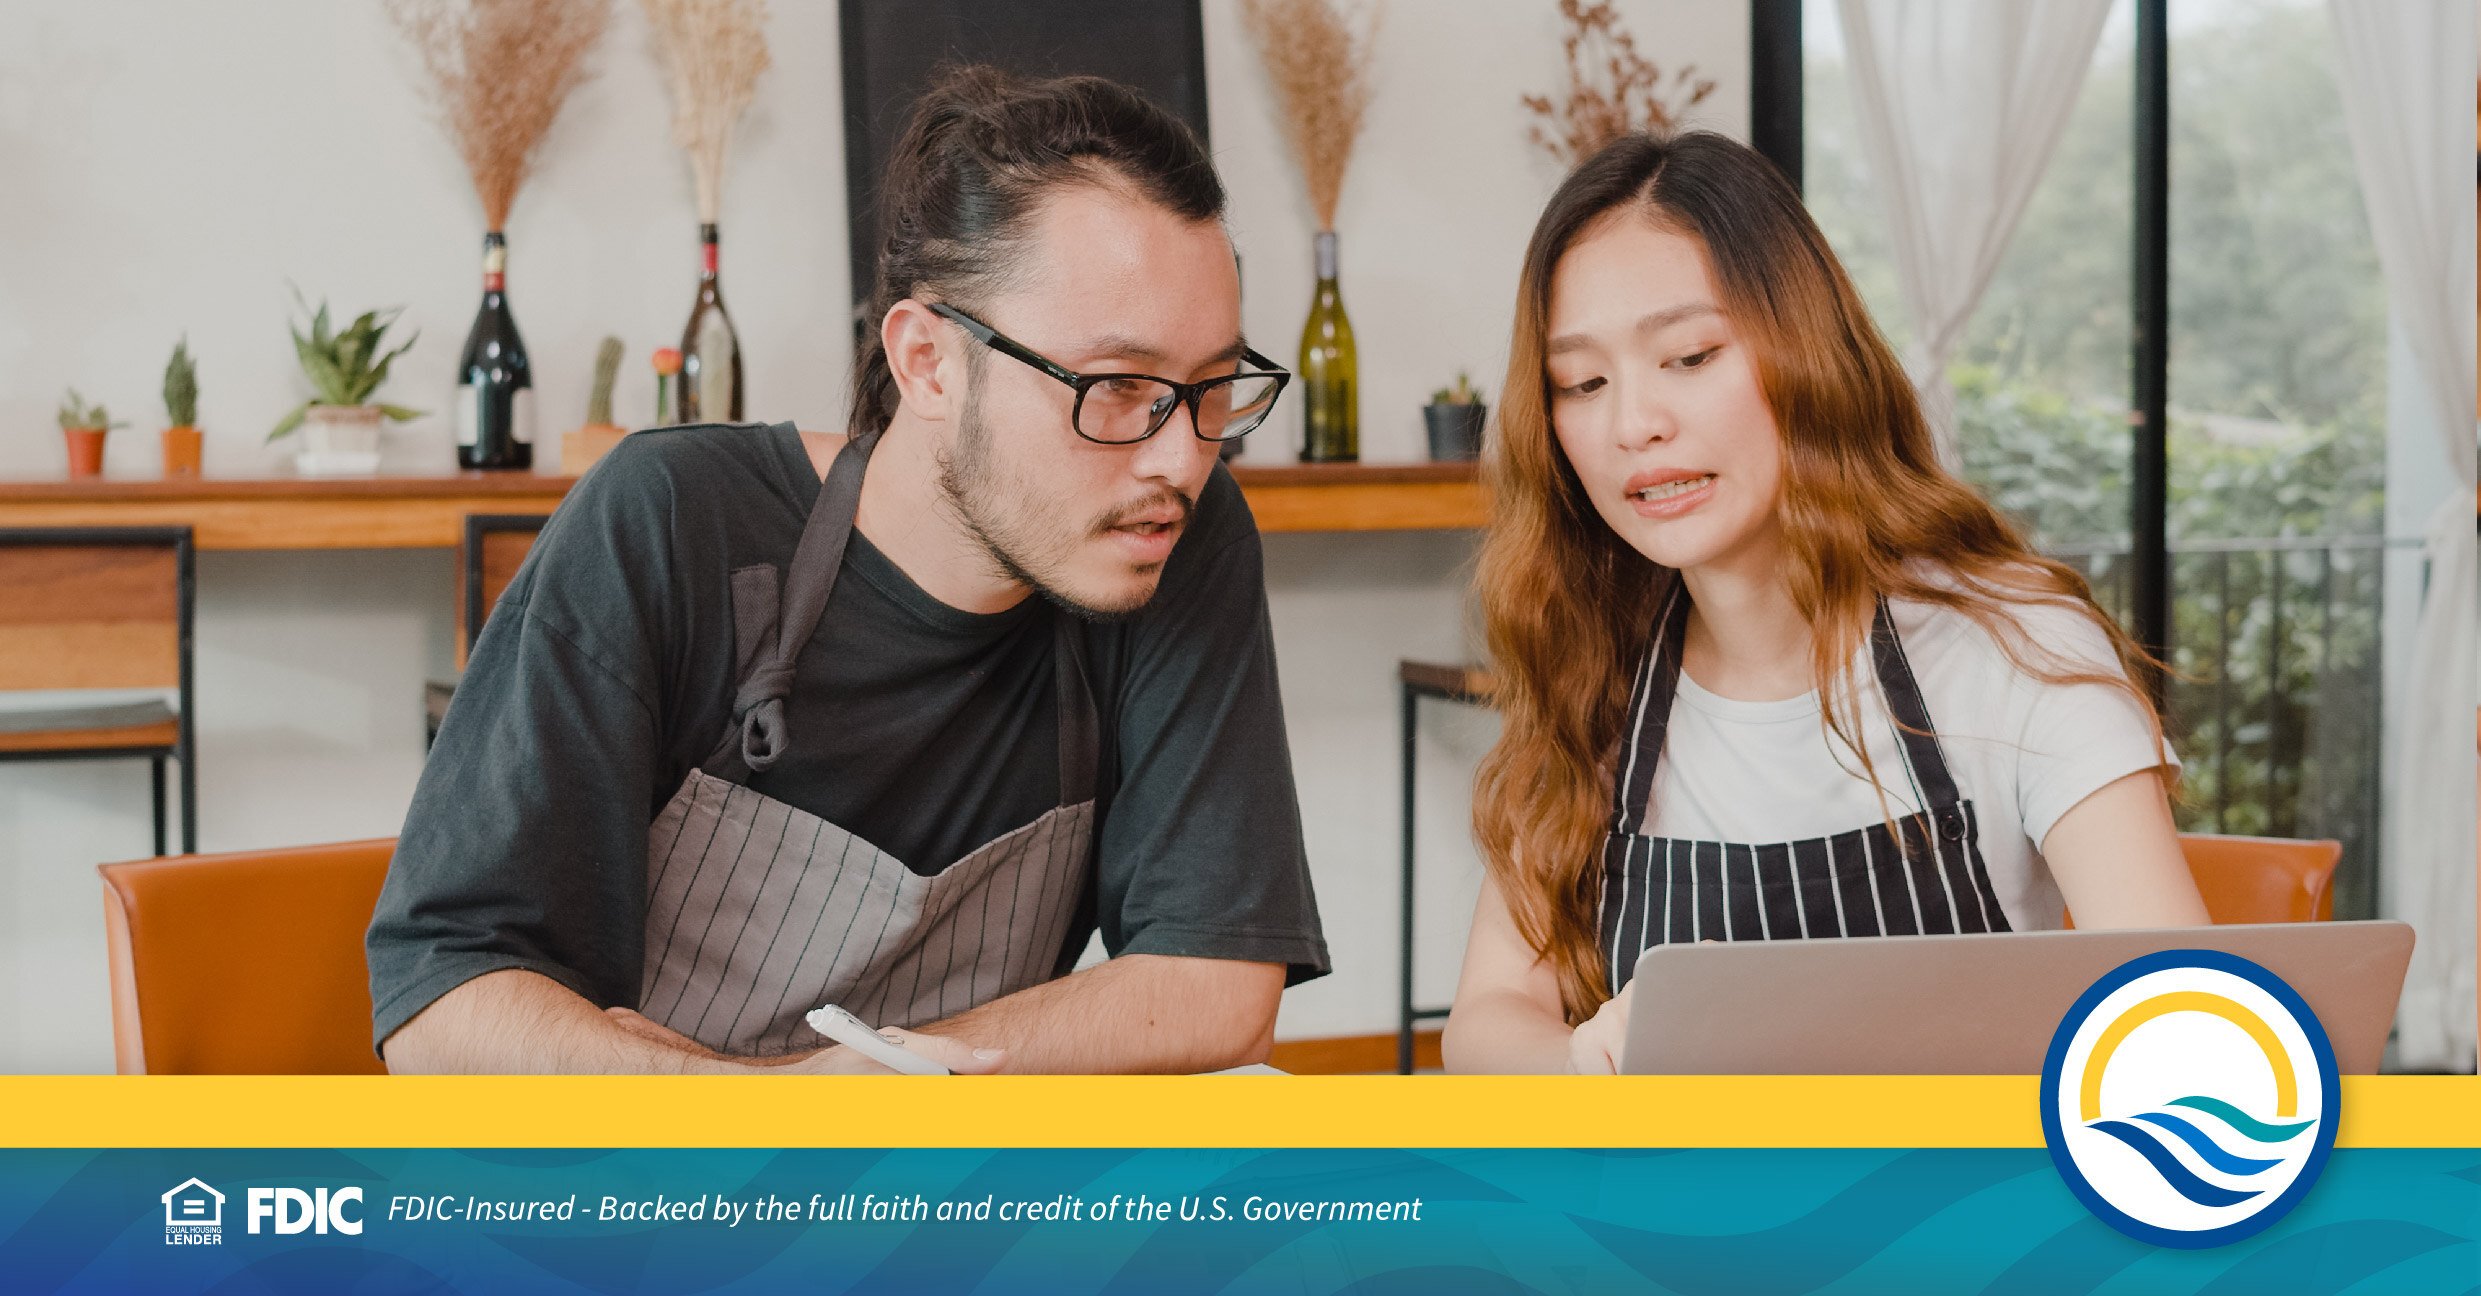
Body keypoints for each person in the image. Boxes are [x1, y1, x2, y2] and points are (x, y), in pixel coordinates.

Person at [370, 66, 1327, 1075]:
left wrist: (881, 1086)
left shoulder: (1180, 532)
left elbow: (1216, 985)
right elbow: (442, 1009)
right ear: (928, 362)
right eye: (1118, 387)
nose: (1180, 459)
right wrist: (756, 1117)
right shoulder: (670, 519)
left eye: (1215, 390)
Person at [1442, 132, 2208, 1075]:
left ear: (1806, 350)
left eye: (1687, 355)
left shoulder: (2011, 648)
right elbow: (1486, 1018)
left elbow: (2182, 1015)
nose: (1633, 422)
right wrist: (1578, 1066)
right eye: (1583, 383)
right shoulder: (1597, 676)